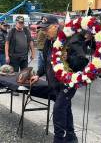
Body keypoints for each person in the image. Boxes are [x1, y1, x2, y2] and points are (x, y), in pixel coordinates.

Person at [30, 15, 78, 143]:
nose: (44, 32)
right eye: (42, 29)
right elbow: (47, 62)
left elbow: (82, 61)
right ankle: (71, 137)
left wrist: (69, 58)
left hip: (68, 82)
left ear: (56, 26)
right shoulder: (48, 41)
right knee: (65, 108)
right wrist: (38, 74)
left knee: (58, 109)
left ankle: (58, 139)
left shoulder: (69, 39)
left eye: (46, 29)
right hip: (54, 83)